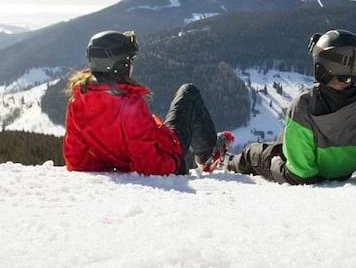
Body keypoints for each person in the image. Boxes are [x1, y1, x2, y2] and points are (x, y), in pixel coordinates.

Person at [225, 29, 356, 184]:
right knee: (282, 140)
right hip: (334, 171)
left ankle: (226, 162)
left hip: (296, 168)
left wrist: (275, 162)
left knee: (253, 153)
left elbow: (300, 175)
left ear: (321, 67)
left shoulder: (304, 106)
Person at [63, 30, 233, 174]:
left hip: (143, 151)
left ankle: (207, 152)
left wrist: (114, 165)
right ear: (119, 66)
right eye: (129, 60)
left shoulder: (78, 100)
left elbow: (75, 159)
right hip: (168, 150)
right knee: (188, 92)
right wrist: (177, 163)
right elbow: (149, 164)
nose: (131, 65)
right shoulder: (129, 104)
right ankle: (208, 154)